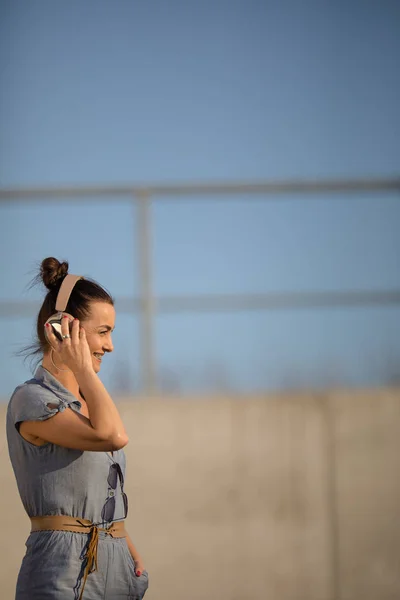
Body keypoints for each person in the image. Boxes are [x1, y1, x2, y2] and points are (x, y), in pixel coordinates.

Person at [6, 257, 149, 600]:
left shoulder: (91, 402)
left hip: (116, 566)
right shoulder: (31, 399)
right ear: (61, 330)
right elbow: (113, 437)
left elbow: (100, 491)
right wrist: (82, 368)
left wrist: (126, 547)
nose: (110, 345)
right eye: (103, 332)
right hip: (62, 568)